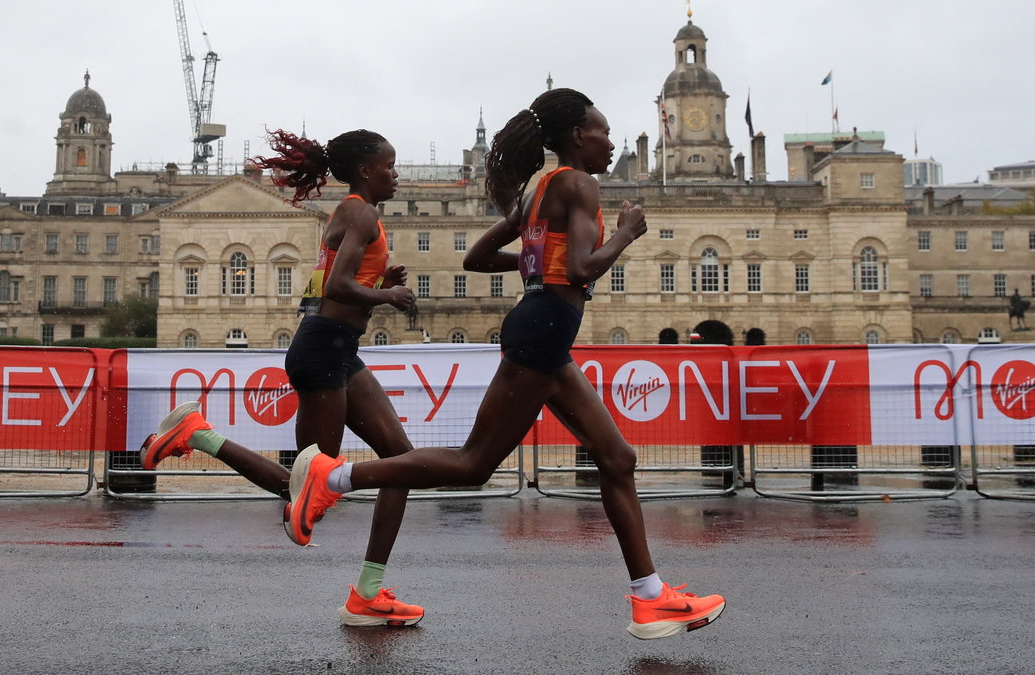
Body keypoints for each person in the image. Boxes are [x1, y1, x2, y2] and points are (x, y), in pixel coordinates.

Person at [283, 88, 726, 639]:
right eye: (603, 132)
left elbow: (477, 259)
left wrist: (537, 261)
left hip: (543, 328)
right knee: (473, 465)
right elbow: (585, 269)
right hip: (543, 330)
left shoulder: (537, 188)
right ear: (576, 137)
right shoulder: (578, 183)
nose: (610, 143)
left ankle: (651, 597)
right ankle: (334, 476)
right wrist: (627, 234)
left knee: (617, 457)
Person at [139, 127, 423, 628]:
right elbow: (336, 286)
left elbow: (326, 286)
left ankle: (369, 593)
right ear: (364, 171)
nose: (395, 174)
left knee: (401, 461)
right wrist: (387, 297)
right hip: (323, 350)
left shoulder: (352, 215)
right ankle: (196, 435)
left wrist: (380, 282)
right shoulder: (360, 211)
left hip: (337, 348)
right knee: (307, 489)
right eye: (388, 165)